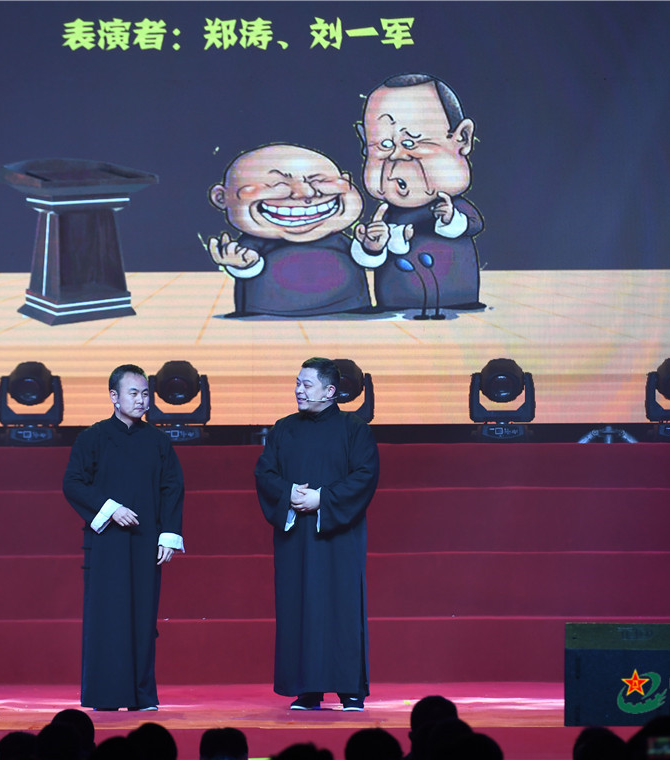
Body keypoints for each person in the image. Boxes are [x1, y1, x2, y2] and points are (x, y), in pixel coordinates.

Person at [254, 357, 380, 710]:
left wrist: (322, 498)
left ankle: (349, 689)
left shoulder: (354, 429)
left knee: (342, 607)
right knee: (298, 607)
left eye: (306, 384)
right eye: (297, 383)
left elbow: (365, 475)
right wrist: (290, 493)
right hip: (295, 534)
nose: (298, 390)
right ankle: (307, 688)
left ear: (330, 391)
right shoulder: (283, 429)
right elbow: (265, 474)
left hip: (339, 535)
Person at [63, 364, 185, 711]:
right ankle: (105, 695)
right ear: (114, 397)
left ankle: (142, 696)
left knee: (143, 617)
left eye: (145, 393)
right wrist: (110, 508)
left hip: (146, 541)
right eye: (134, 393)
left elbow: (172, 488)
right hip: (107, 544)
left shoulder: (158, 441)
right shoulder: (93, 438)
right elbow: (73, 483)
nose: (141, 400)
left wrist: (168, 535)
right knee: (108, 616)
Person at [207, 144, 385, 317]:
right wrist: (243, 264)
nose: (306, 193)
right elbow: (248, 270)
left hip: (350, 311)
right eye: (276, 184)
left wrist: (371, 248)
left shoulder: (338, 239)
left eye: (320, 181)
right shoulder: (254, 244)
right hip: (271, 317)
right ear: (221, 198)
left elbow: (364, 259)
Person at [356, 73, 485, 311]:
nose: (397, 157)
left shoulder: (454, 209)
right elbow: (372, 259)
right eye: (384, 145)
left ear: (462, 138)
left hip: (456, 302)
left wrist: (451, 219)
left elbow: (473, 224)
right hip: (395, 305)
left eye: (411, 143)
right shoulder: (387, 215)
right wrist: (372, 246)